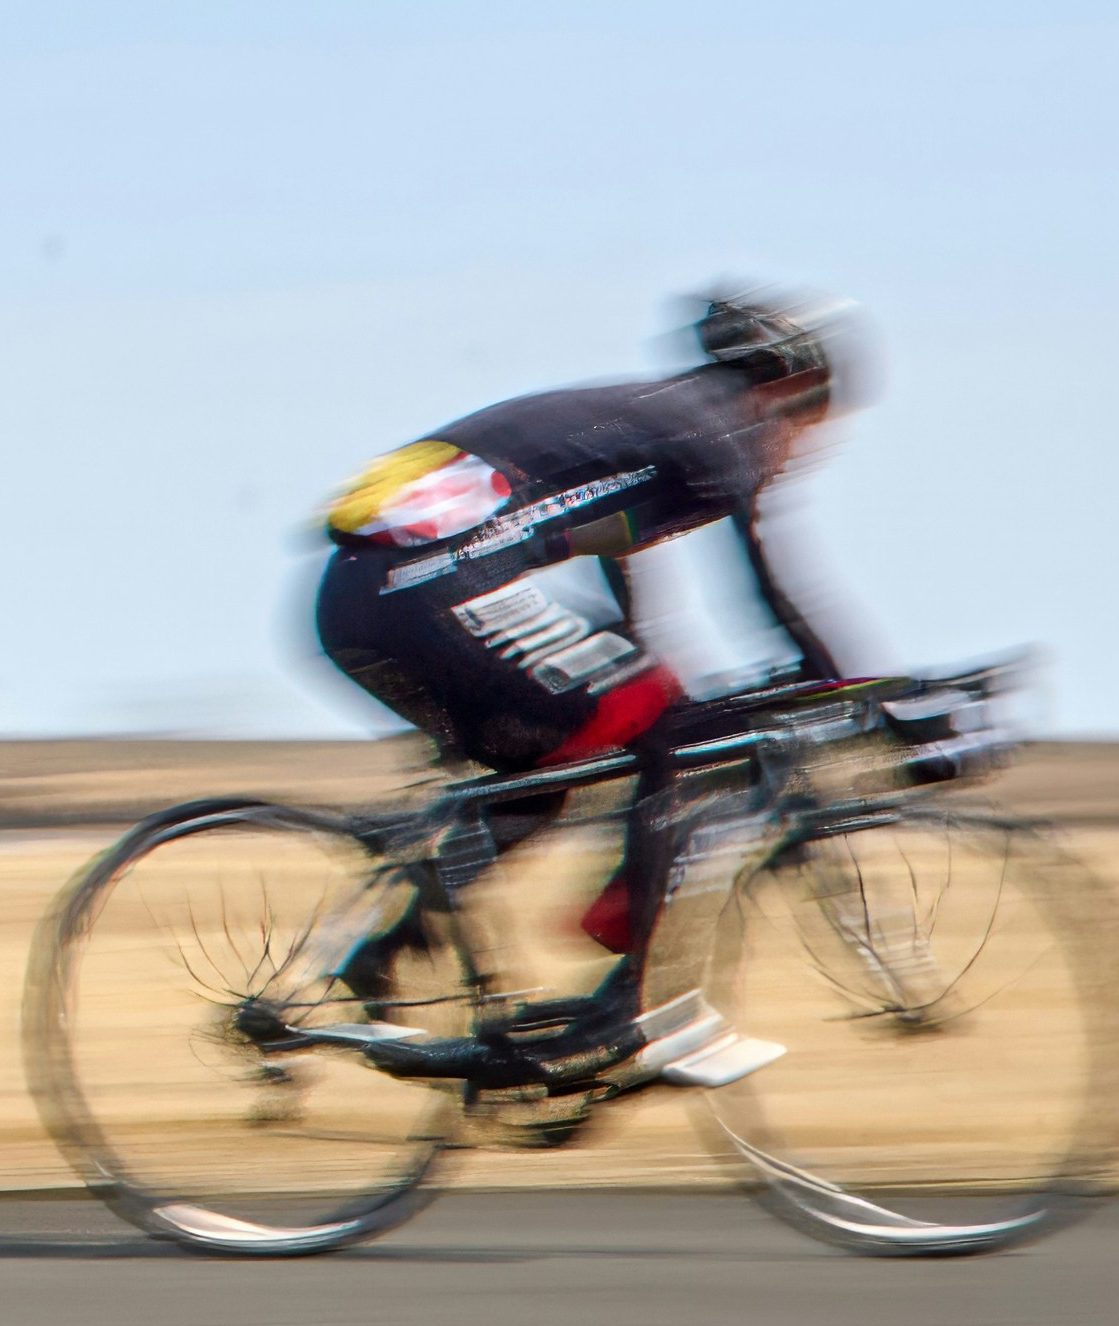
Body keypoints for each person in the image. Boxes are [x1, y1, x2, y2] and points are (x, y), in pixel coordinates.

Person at [302, 289, 869, 1088]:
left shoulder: (655, 424)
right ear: (785, 394)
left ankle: (386, 950)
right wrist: (846, 686)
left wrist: (645, 667)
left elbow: (617, 553)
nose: (806, 453)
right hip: (429, 589)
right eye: (816, 429)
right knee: (663, 721)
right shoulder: (723, 432)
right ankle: (635, 1012)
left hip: (363, 599)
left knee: (554, 774)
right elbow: (770, 592)